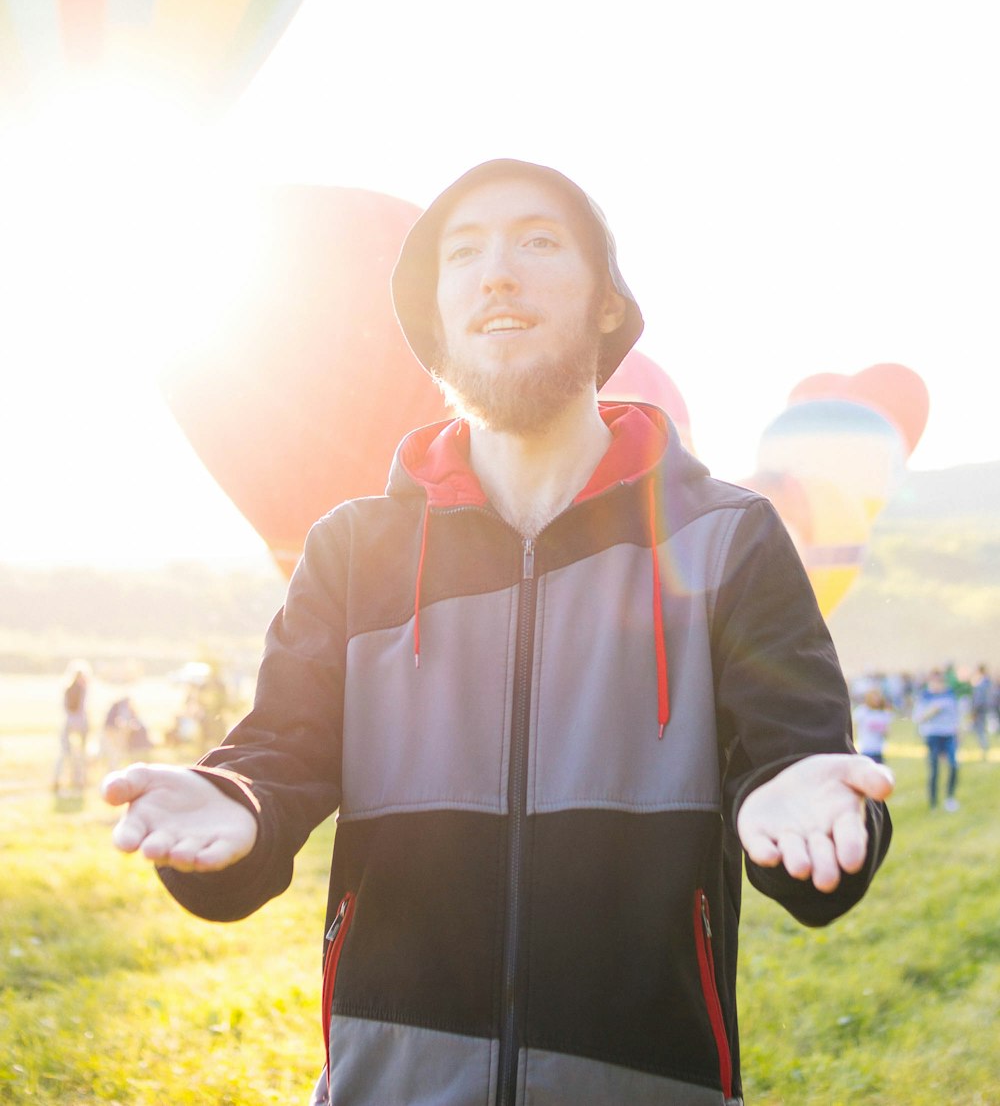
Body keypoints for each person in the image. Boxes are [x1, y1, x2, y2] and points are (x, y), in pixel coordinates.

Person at [103, 159, 893, 1106]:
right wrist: (234, 806)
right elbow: (279, 755)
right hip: (391, 1085)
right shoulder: (354, 550)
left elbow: (797, 776)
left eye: (538, 241)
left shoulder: (724, 539)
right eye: (463, 253)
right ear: (434, 322)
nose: (498, 272)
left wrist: (811, 808)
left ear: (609, 304)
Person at [914, 667, 961, 810]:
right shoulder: (925, 696)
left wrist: (958, 733)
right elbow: (918, 717)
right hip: (933, 734)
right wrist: (932, 711)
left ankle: (950, 797)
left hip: (948, 734)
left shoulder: (949, 695)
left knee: (953, 765)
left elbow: (956, 716)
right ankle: (933, 802)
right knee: (934, 768)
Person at [53, 660, 90, 795]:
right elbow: (83, 708)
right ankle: (79, 780)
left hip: (68, 722)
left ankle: (59, 779)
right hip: (79, 723)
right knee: (80, 753)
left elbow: (65, 708)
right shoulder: (83, 688)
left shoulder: (67, 687)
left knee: (65, 753)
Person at [853, 686, 893, 763]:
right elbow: (854, 727)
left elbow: (887, 731)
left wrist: (884, 731)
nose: (876, 700)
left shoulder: (883, 713)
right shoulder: (862, 711)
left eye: (878, 697)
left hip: (878, 749)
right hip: (865, 748)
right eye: (874, 697)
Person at [969, 664, 993, 760]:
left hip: (980, 710)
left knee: (980, 730)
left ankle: (984, 749)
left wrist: (974, 711)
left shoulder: (982, 684)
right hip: (986, 709)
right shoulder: (988, 683)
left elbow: (979, 699)